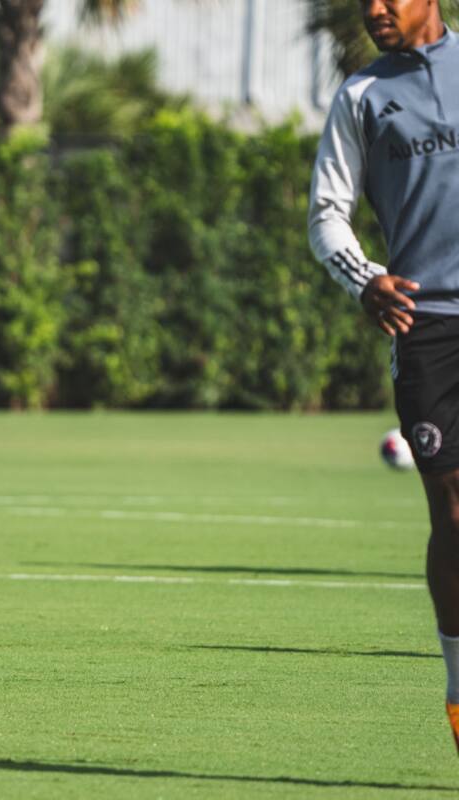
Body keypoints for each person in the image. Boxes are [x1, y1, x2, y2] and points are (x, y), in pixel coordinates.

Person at [308, 0, 459, 751]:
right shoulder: (362, 95)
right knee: (455, 513)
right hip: (424, 326)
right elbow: (327, 211)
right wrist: (364, 277)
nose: (374, 8)